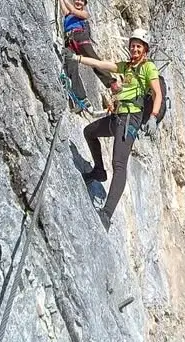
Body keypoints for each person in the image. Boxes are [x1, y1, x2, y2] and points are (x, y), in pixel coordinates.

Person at [68, 29, 162, 230]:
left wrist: (153, 117)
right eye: (133, 45)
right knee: (89, 132)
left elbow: (157, 94)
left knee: (119, 164)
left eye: (139, 46)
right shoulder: (126, 67)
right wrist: (77, 57)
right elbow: (102, 64)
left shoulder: (149, 68)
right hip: (118, 116)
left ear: (145, 49)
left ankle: (107, 214)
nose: (134, 48)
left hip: (130, 120)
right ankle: (99, 171)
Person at [55, 0, 111, 108]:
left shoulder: (84, 13)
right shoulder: (68, 14)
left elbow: (73, 10)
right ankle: (81, 98)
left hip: (80, 39)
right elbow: (65, 9)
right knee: (71, 69)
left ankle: (110, 82)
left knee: (94, 61)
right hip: (70, 42)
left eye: (82, 1)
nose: (79, 2)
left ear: (84, 4)